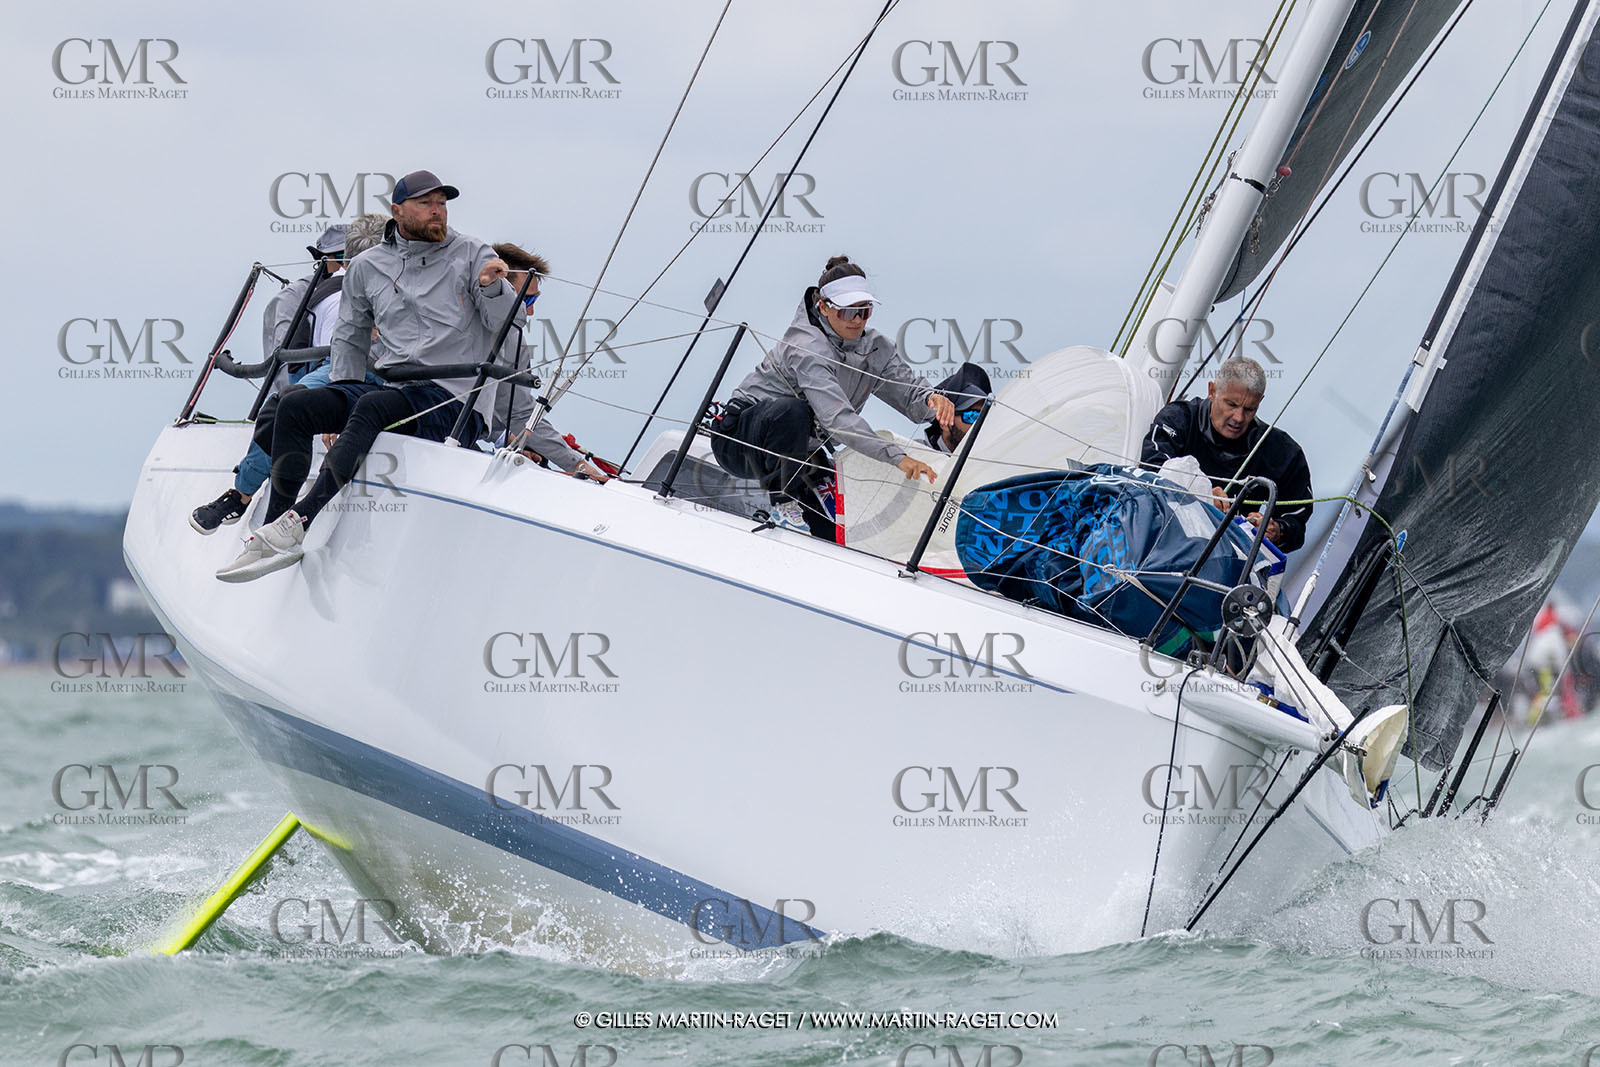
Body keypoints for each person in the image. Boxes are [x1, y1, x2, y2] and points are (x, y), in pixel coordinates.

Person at [216, 169, 521, 582]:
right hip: (399, 390)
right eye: (426, 204)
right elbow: (350, 337)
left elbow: (509, 325)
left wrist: (491, 289)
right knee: (294, 405)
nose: (437, 211)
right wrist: (338, 401)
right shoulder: (367, 266)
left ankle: (301, 518)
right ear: (398, 211)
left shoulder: (473, 253)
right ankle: (271, 533)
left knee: (375, 405)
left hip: (455, 399)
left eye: (442, 203)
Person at [709, 255, 955, 537]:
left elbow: (910, 396)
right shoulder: (806, 346)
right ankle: (782, 504)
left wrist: (932, 400)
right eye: (848, 312)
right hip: (740, 442)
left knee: (835, 528)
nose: (857, 320)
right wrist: (898, 458)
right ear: (824, 308)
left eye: (864, 311)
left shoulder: (877, 348)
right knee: (793, 411)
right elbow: (837, 420)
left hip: (802, 450)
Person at [189, 223, 363, 533]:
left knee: (282, 406)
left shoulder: (351, 289)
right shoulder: (312, 293)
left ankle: (245, 499)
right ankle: (249, 500)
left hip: (360, 374)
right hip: (337, 370)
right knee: (282, 405)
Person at [1139, 355, 1312, 551]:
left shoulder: (1281, 451)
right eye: (1231, 404)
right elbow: (1150, 471)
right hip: (1160, 541)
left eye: (1249, 409)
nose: (1239, 417)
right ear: (1212, 391)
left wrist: (1277, 530)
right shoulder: (1178, 419)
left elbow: (1297, 522)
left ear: (1260, 402)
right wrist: (1201, 493)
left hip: (1224, 556)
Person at [489, 242, 609, 482]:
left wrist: (504, 438)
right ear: (499, 289)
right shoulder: (504, 338)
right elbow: (519, 414)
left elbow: (503, 409)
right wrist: (580, 466)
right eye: (527, 300)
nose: (531, 312)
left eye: (535, 300)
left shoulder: (511, 340)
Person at [922, 362, 992, 454]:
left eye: (984, 417)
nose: (980, 424)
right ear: (944, 423)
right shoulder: (912, 456)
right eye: (972, 416)